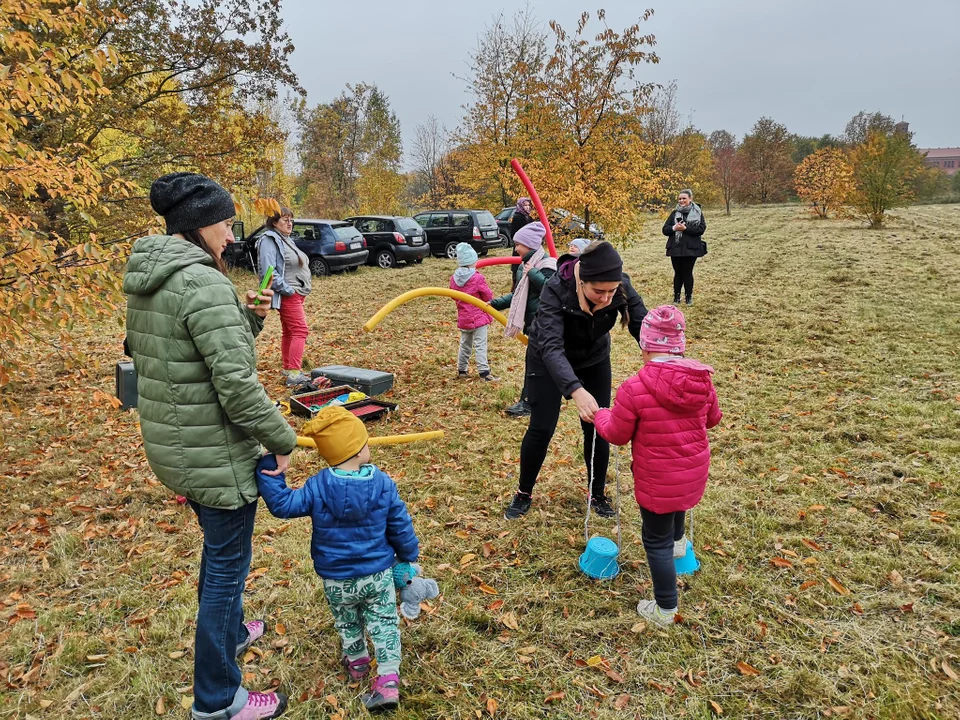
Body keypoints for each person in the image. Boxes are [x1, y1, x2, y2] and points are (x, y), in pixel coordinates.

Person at [124, 172, 296, 720]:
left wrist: (248, 320)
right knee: (227, 569)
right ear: (198, 224)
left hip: (179, 447)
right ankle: (218, 701)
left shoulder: (152, 278)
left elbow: (187, 357)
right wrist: (282, 438)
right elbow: (238, 387)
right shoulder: (203, 284)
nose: (230, 236)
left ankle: (229, 629)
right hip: (216, 454)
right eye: (224, 224)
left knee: (220, 557)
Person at [255, 406, 419, 713]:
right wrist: (408, 555)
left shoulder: (319, 486)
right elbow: (400, 524)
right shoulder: (382, 484)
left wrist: (267, 467)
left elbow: (283, 504)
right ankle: (387, 681)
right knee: (384, 623)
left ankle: (357, 663)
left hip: (337, 578)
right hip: (377, 575)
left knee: (347, 621)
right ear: (356, 451)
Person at [593, 305, 721, 627]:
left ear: (645, 346)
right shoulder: (700, 381)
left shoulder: (633, 388)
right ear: (680, 345)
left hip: (657, 478)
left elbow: (616, 434)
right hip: (692, 471)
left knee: (655, 541)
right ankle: (679, 545)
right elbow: (713, 419)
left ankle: (665, 609)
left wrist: (600, 415)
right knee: (675, 508)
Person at [503, 241, 647, 520]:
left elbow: (644, 327)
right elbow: (551, 347)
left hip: (594, 358)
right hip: (547, 359)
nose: (606, 298)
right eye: (598, 291)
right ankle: (524, 492)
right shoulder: (555, 289)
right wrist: (575, 390)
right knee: (541, 428)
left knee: (598, 427)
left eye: (611, 291)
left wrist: (665, 361)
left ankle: (597, 493)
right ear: (581, 282)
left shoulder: (621, 286)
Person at [490, 222, 557, 416]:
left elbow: (550, 290)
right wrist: (494, 304)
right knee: (538, 364)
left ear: (529, 244)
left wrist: (532, 272)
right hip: (534, 324)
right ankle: (533, 400)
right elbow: (519, 296)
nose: (516, 248)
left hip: (544, 324)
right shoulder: (525, 266)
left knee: (536, 365)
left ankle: (528, 403)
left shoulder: (545, 265)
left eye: (519, 244)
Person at [258, 206, 313, 385]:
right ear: (274, 222)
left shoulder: (285, 239)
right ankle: (295, 374)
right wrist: (289, 290)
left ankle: (288, 369)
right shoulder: (269, 240)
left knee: (290, 331)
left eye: (291, 219)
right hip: (288, 294)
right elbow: (269, 271)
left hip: (296, 293)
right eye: (285, 219)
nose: (290, 223)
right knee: (300, 330)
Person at [450, 242, 498, 381]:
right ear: (472, 261)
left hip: (464, 318)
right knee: (480, 345)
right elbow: (488, 296)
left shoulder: (454, 278)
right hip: (478, 318)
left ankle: (462, 370)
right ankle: (484, 373)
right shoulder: (477, 277)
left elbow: (453, 295)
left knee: (465, 345)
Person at [662, 189, 707, 306]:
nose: (681, 201)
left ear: (690, 199)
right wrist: (674, 228)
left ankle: (688, 297)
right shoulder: (674, 213)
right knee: (678, 273)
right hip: (675, 248)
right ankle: (676, 297)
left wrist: (686, 229)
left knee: (687, 272)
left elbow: (701, 229)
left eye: (684, 198)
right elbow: (665, 230)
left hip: (691, 249)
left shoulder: (698, 213)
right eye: (680, 198)